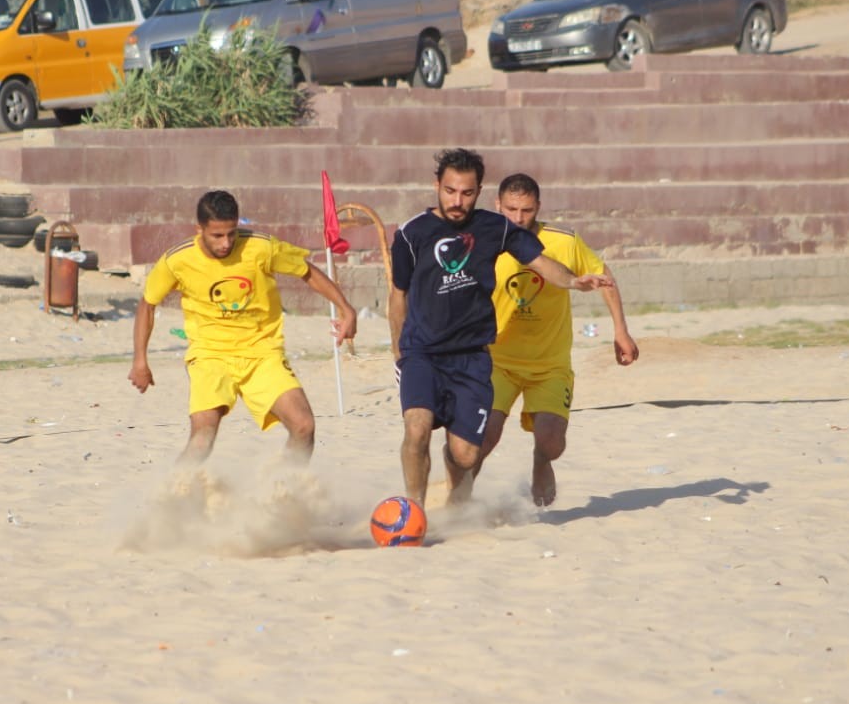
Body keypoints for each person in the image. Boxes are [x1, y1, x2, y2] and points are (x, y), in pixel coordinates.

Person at [389, 149, 615, 508]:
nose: (457, 201)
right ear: (437, 186)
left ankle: (455, 489)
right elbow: (398, 295)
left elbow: (540, 262)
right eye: (449, 191)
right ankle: (412, 510)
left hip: (472, 357)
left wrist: (573, 282)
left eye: (466, 192)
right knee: (416, 428)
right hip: (422, 353)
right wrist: (400, 353)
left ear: (479, 191)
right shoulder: (411, 234)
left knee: (464, 455)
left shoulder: (495, 229)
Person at [128, 189, 357, 465]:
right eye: (217, 235)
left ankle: (285, 491)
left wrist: (346, 308)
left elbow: (306, 271)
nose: (226, 243)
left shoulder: (261, 247)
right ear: (199, 229)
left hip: (262, 354)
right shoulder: (177, 260)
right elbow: (147, 305)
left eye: (232, 233)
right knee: (202, 438)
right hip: (210, 355)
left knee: (304, 426)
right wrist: (140, 360)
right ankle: (176, 495)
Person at [475, 173, 639, 507]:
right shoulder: (482, 238)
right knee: (484, 435)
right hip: (497, 361)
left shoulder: (563, 240)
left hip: (549, 364)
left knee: (552, 443)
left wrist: (620, 329)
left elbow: (603, 276)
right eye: (511, 210)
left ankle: (540, 461)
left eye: (527, 210)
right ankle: (459, 495)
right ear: (497, 205)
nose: (519, 218)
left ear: (538, 207)